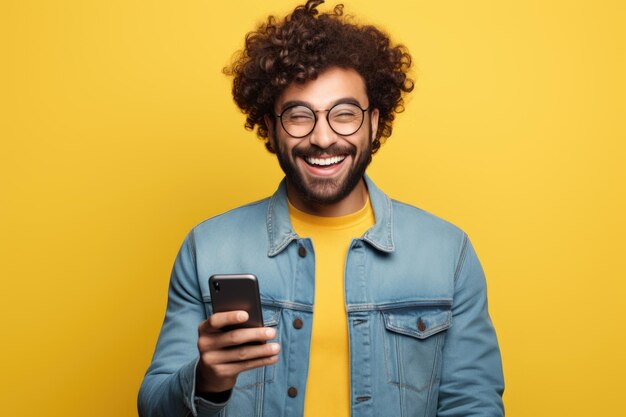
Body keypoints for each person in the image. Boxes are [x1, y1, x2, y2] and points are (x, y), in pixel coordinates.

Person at [138, 1, 505, 416]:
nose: (323, 138)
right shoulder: (208, 249)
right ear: (271, 126)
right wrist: (207, 380)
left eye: (344, 114)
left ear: (373, 121)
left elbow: (473, 406)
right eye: (298, 116)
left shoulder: (447, 253)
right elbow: (153, 407)